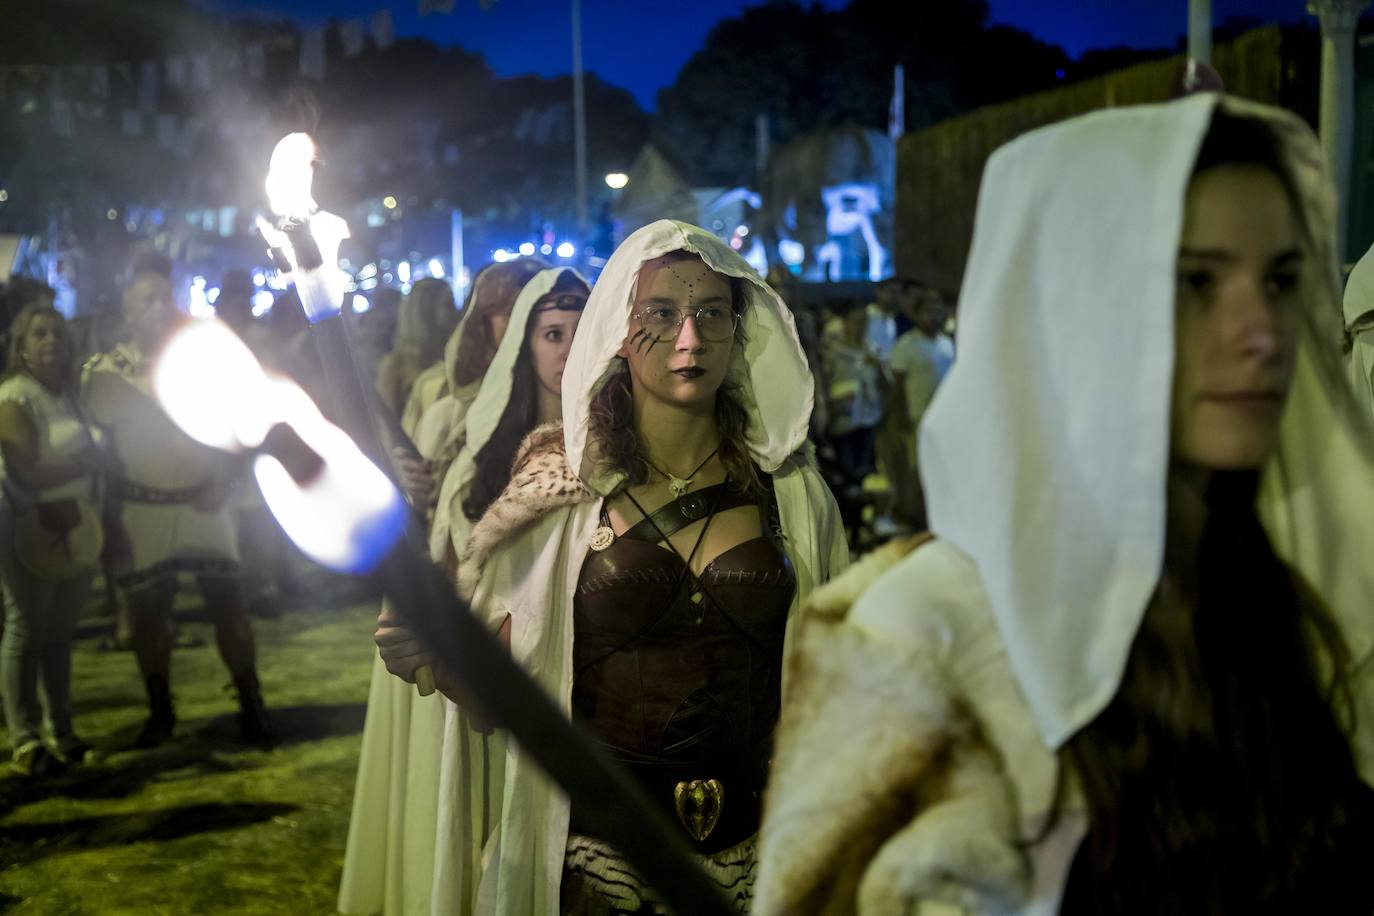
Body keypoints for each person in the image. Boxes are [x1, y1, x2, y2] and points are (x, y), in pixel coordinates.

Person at [754, 97, 1374, 914]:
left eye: (1282, 279)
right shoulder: (920, 637)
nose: (1261, 328)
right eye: (1195, 282)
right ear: (1078, 307)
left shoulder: (1298, 591)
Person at [377, 220, 849, 915]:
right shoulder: (558, 496)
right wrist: (431, 657)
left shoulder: (795, 493)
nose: (689, 340)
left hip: (766, 865)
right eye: (661, 314)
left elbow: (839, 686)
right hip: (595, 871)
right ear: (620, 333)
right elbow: (503, 693)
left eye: (712, 314)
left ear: (739, 329)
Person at [339, 267, 589, 916]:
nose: (563, 348)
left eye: (576, 331)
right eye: (548, 331)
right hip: (479, 681)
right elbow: (452, 549)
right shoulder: (476, 434)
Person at [83, 257, 272, 747]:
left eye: (164, 299)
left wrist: (227, 481)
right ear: (126, 313)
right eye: (145, 300)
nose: (157, 309)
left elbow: (238, 429)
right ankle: (161, 710)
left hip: (202, 502)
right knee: (148, 613)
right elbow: (98, 447)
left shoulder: (201, 361)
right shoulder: (107, 371)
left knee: (228, 605)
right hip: (142, 505)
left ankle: (251, 703)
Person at [0, 304, 104, 775]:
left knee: (60, 635)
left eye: (57, 334)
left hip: (76, 523)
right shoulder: (14, 398)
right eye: (38, 334)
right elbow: (26, 470)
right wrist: (87, 465)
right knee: (26, 629)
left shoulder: (69, 396)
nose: (50, 342)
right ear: (19, 346)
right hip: (29, 525)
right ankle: (25, 739)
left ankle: (62, 731)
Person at [401, 258, 550, 443]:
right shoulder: (442, 399)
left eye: (539, 315)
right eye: (512, 313)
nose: (527, 326)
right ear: (484, 323)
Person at [880, 283, 954, 527]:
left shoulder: (947, 343)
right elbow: (897, 387)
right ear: (917, 314)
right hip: (918, 416)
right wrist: (900, 416)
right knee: (918, 469)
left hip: (945, 417)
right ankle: (921, 518)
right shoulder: (907, 345)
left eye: (937, 310)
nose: (933, 316)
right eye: (927, 310)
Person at [375, 278, 459, 418]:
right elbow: (386, 422)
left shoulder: (452, 354)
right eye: (447, 305)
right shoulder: (395, 364)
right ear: (425, 311)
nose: (455, 311)